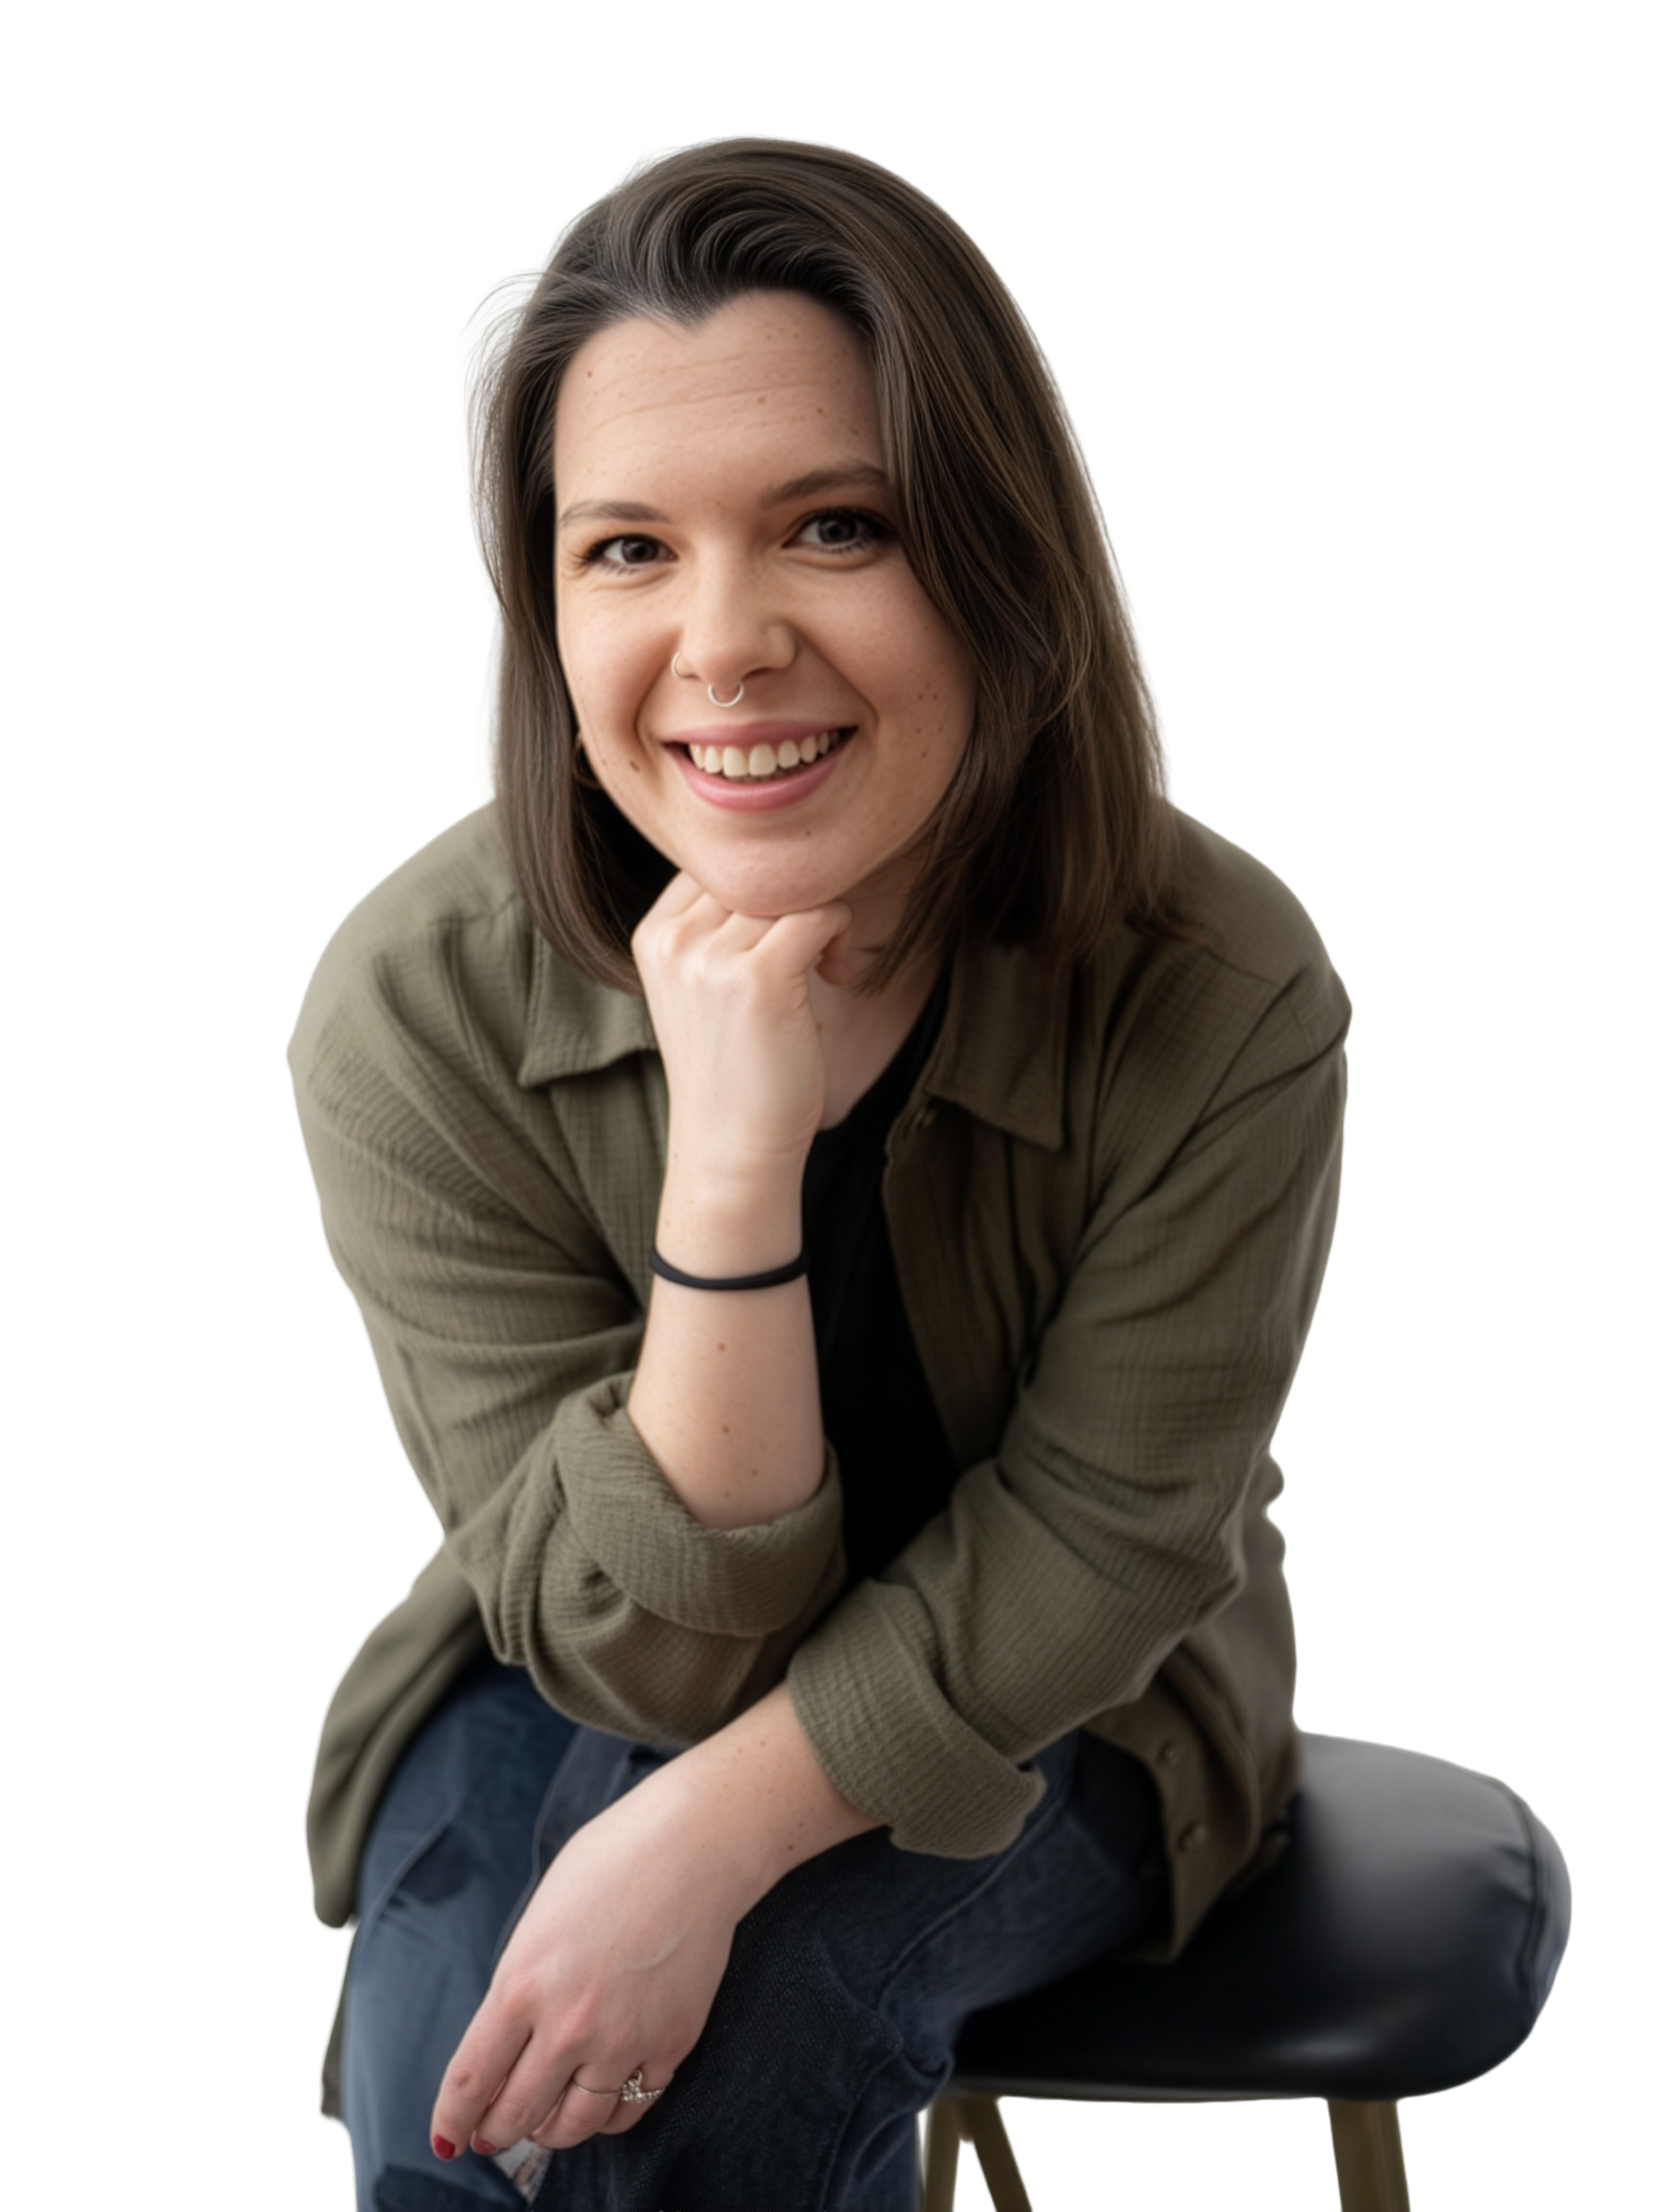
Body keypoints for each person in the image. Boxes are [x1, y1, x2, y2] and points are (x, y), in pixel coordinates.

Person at [292, 136, 1352, 2212]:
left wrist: (702, 1840)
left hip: (1069, 1706)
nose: (723, 641)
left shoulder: (1216, 984)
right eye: (626, 550)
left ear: (996, 559)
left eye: (835, 526)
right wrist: (731, 1170)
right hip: (573, 1650)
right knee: (457, 2109)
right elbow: (642, 1656)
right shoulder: (416, 1001)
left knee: (731, 2042)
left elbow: (1102, 1550)